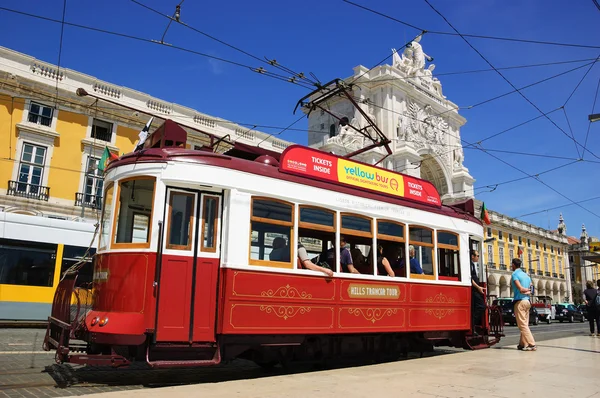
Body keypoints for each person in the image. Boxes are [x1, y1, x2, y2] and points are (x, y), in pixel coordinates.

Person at [511, 258, 536, 351]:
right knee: (524, 324)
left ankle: (531, 344)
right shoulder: (526, 275)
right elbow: (532, 289)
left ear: (513, 265)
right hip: (528, 302)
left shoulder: (515, 274)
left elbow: (520, 289)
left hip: (520, 302)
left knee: (522, 325)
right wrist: (529, 291)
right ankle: (522, 344)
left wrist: (525, 291)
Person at [470, 250, 486, 330]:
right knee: (481, 306)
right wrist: (478, 287)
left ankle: (473, 325)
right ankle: (472, 324)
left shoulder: (473, 264)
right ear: (472, 256)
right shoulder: (469, 264)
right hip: (474, 290)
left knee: (478, 306)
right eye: (477, 255)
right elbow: (470, 278)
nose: (478, 257)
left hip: (475, 289)